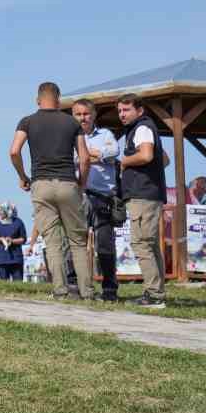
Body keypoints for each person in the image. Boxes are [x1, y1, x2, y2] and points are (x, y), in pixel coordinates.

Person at [9, 82, 92, 301]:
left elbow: (14, 151)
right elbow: (84, 158)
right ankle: (87, 292)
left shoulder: (27, 121)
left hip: (41, 184)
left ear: (38, 100)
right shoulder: (71, 122)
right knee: (77, 241)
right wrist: (81, 185)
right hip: (67, 183)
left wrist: (22, 175)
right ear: (58, 99)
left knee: (53, 242)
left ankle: (60, 291)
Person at [116, 94, 168, 308]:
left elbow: (146, 155)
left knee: (141, 244)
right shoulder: (145, 129)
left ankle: (154, 295)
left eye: (126, 110)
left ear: (140, 110)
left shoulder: (142, 128)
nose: (121, 114)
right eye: (119, 110)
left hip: (142, 196)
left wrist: (124, 162)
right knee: (151, 245)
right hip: (150, 193)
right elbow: (164, 159)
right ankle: (156, 291)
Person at [72, 99, 122, 301]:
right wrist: (98, 157)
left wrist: (89, 155)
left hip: (103, 197)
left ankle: (110, 289)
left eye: (86, 114)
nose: (83, 118)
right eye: (78, 114)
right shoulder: (69, 136)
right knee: (75, 242)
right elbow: (72, 160)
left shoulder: (106, 135)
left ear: (93, 115)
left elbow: (114, 152)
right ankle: (74, 285)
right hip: (78, 195)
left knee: (105, 245)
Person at [0, 202, 27, 280]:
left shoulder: (18, 222)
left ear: (8, 211)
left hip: (16, 258)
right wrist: (1, 239)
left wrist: (12, 241)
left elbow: (23, 239)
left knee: (18, 284)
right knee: (3, 283)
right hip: (1, 258)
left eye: (1, 210)